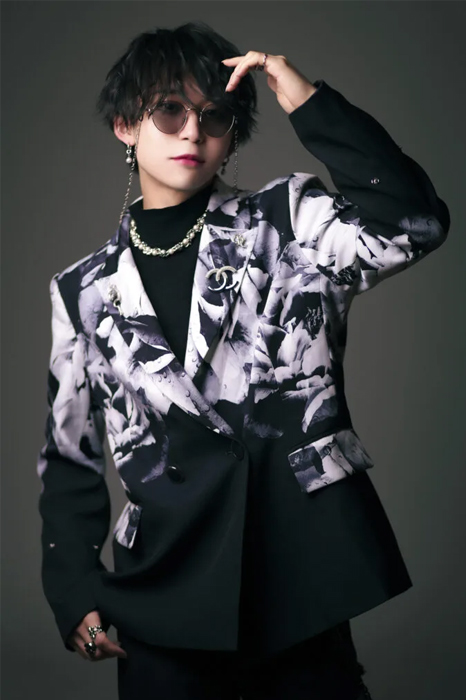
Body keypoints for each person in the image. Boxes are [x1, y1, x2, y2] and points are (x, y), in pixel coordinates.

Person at [36, 20, 450, 700]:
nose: (192, 132)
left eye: (214, 116)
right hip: (165, 584)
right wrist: (74, 590)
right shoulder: (81, 290)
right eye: (169, 110)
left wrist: (308, 102)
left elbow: (415, 223)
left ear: (231, 135)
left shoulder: (288, 221)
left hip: (299, 573)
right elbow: (69, 455)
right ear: (124, 125)